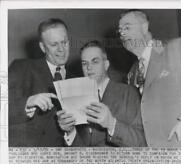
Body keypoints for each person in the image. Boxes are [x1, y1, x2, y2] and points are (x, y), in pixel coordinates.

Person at [118, 9, 181, 147]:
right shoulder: (131, 74)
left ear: (144, 27)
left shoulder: (179, 47)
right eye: (120, 30)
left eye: (127, 27)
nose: (122, 34)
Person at [57, 40, 147, 147]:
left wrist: (111, 123)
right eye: (84, 63)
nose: (89, 67)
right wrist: (70, 131)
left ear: (106, 65)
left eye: (95, 61)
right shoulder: (75, 97)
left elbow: (142, 142)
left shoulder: (128, 93)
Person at [8, 18, 81, 147]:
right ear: (42, 47)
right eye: (54, 44)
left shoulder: (79, 82)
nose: (61, 49)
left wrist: (70, 132)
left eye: (64, 42)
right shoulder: (21, 67)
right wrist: (27, 103)